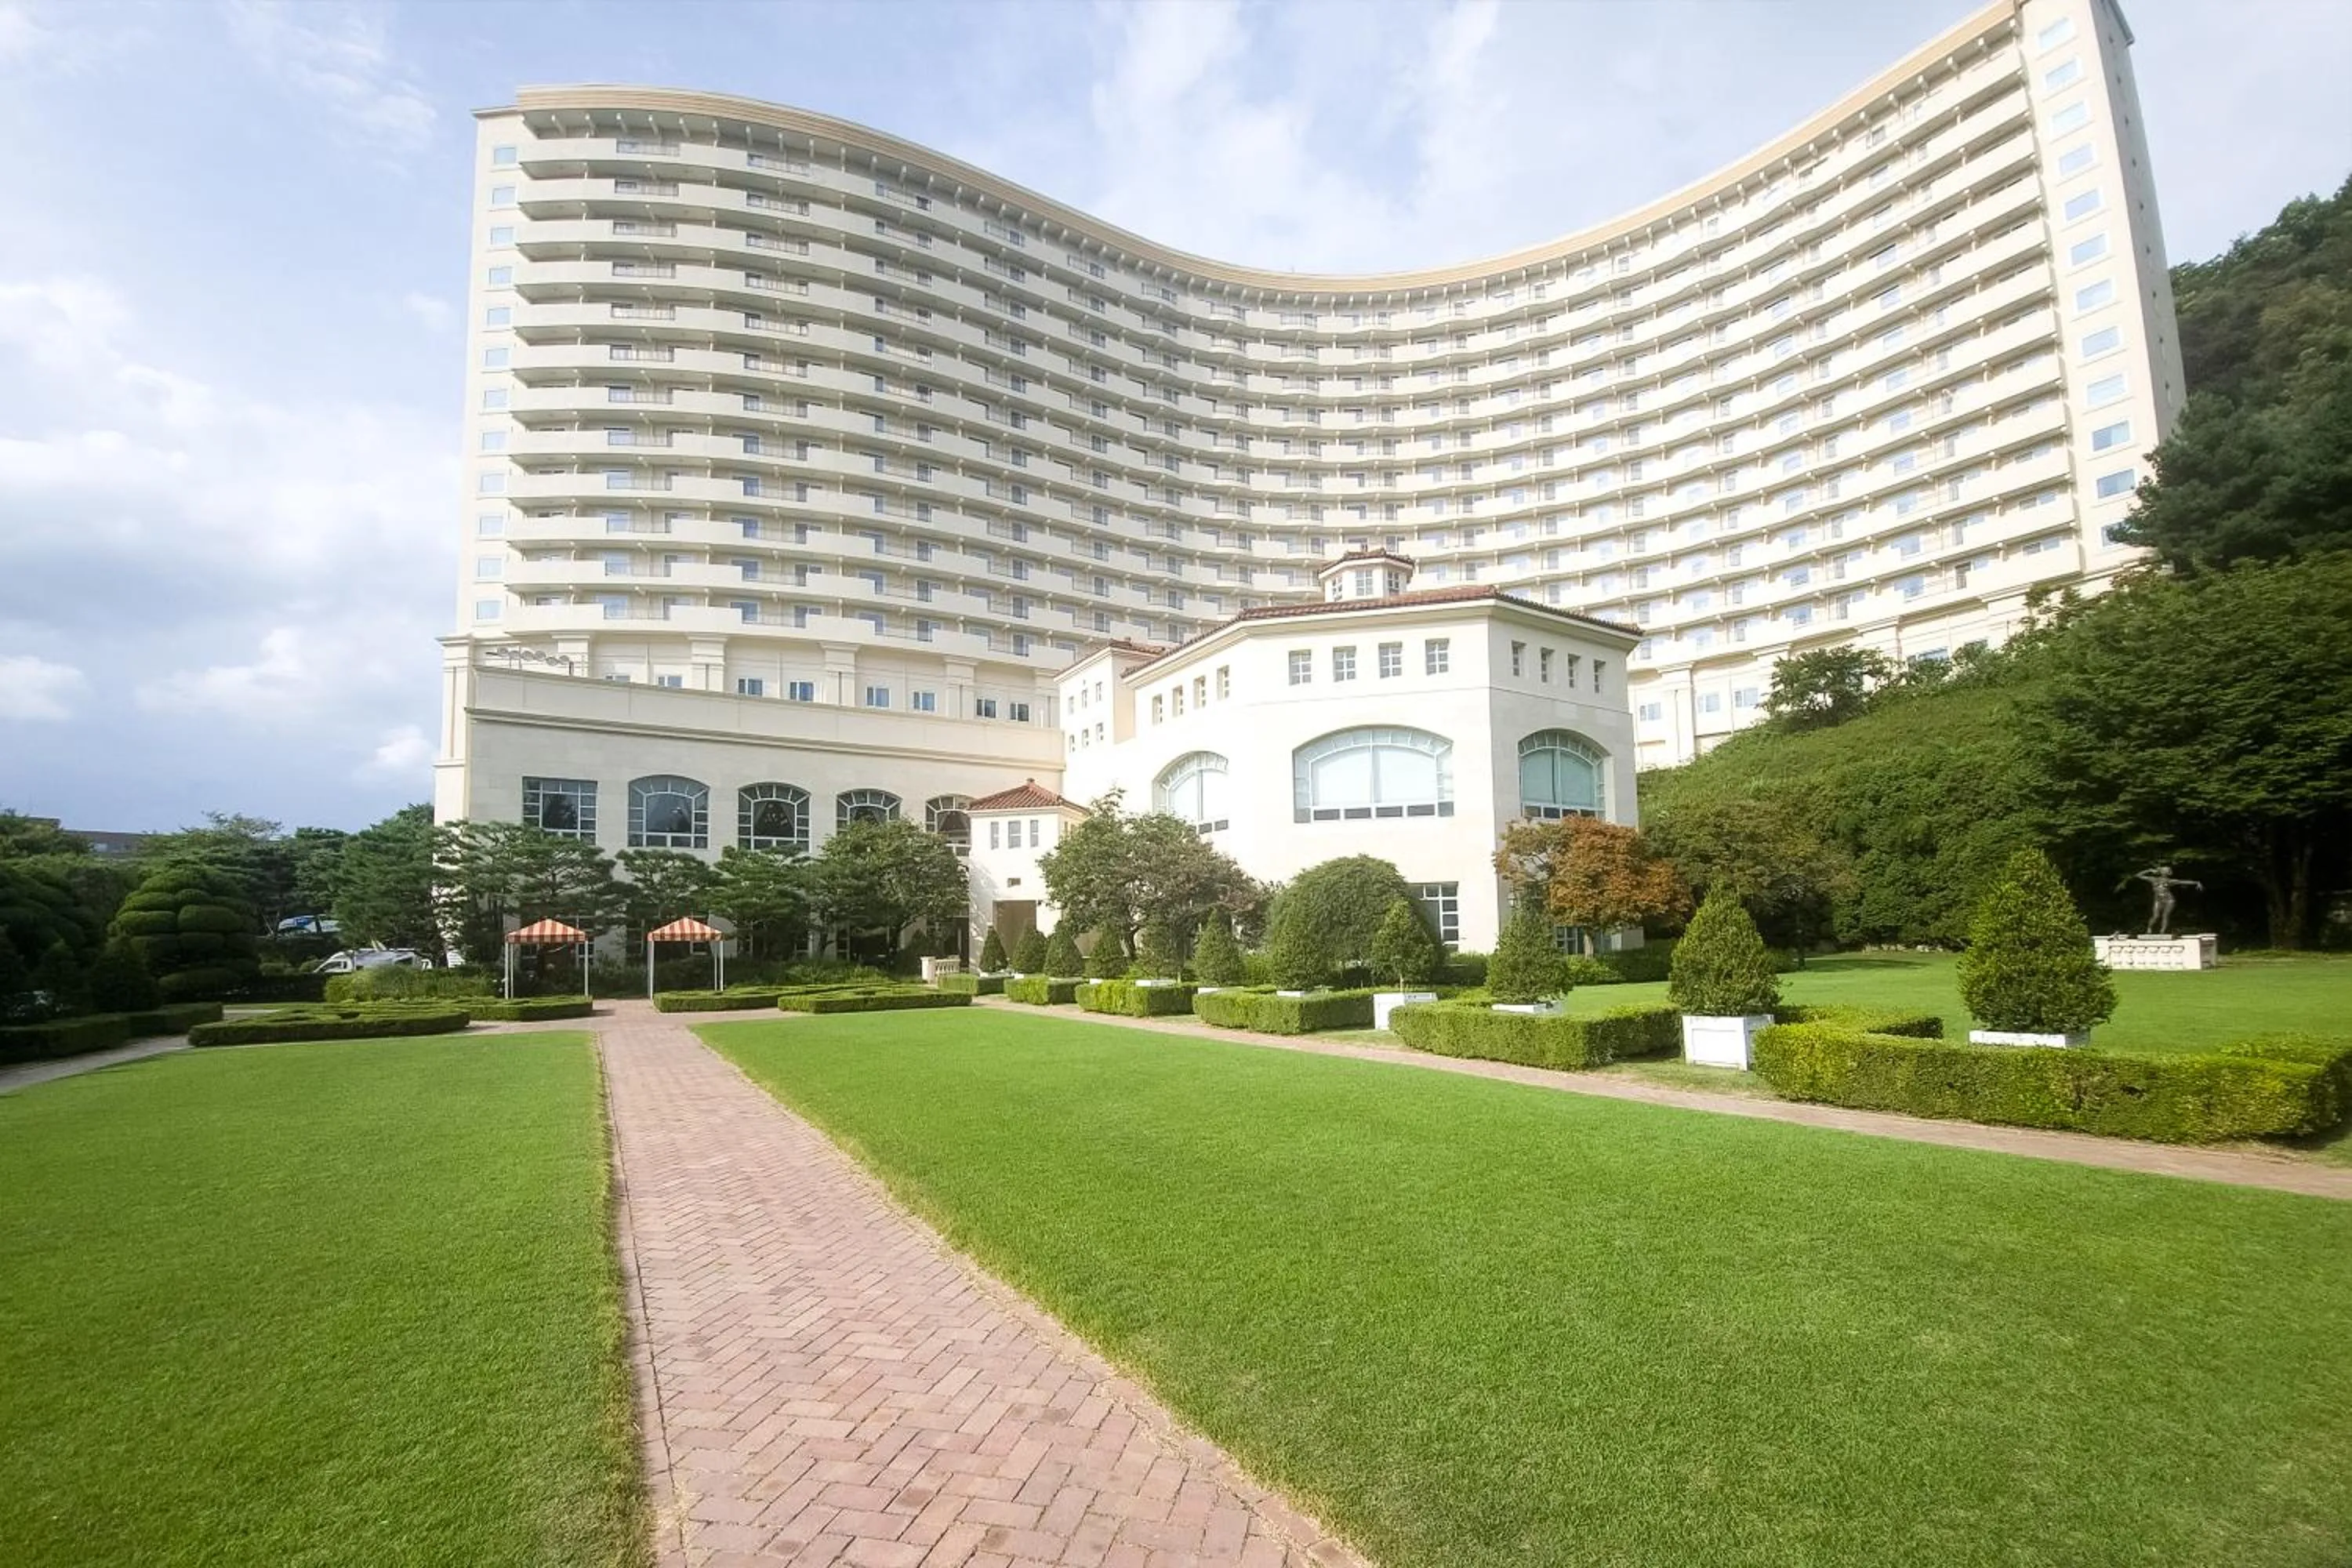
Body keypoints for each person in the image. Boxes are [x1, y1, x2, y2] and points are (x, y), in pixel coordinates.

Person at [2128, 864, 2201, 936]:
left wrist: (2196, 882)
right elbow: (2138, 875)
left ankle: (2162, 931)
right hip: (2158, 900)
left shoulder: (2170, 881)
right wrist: (2149, 870)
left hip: (2169, 900)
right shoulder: (2153, 879)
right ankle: (2149, 928)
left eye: (2166, 871)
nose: (2165, 872)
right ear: (2161, 872)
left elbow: (2182, 881)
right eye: (2164, 871)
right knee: (2156, 916)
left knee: (2165, 915)